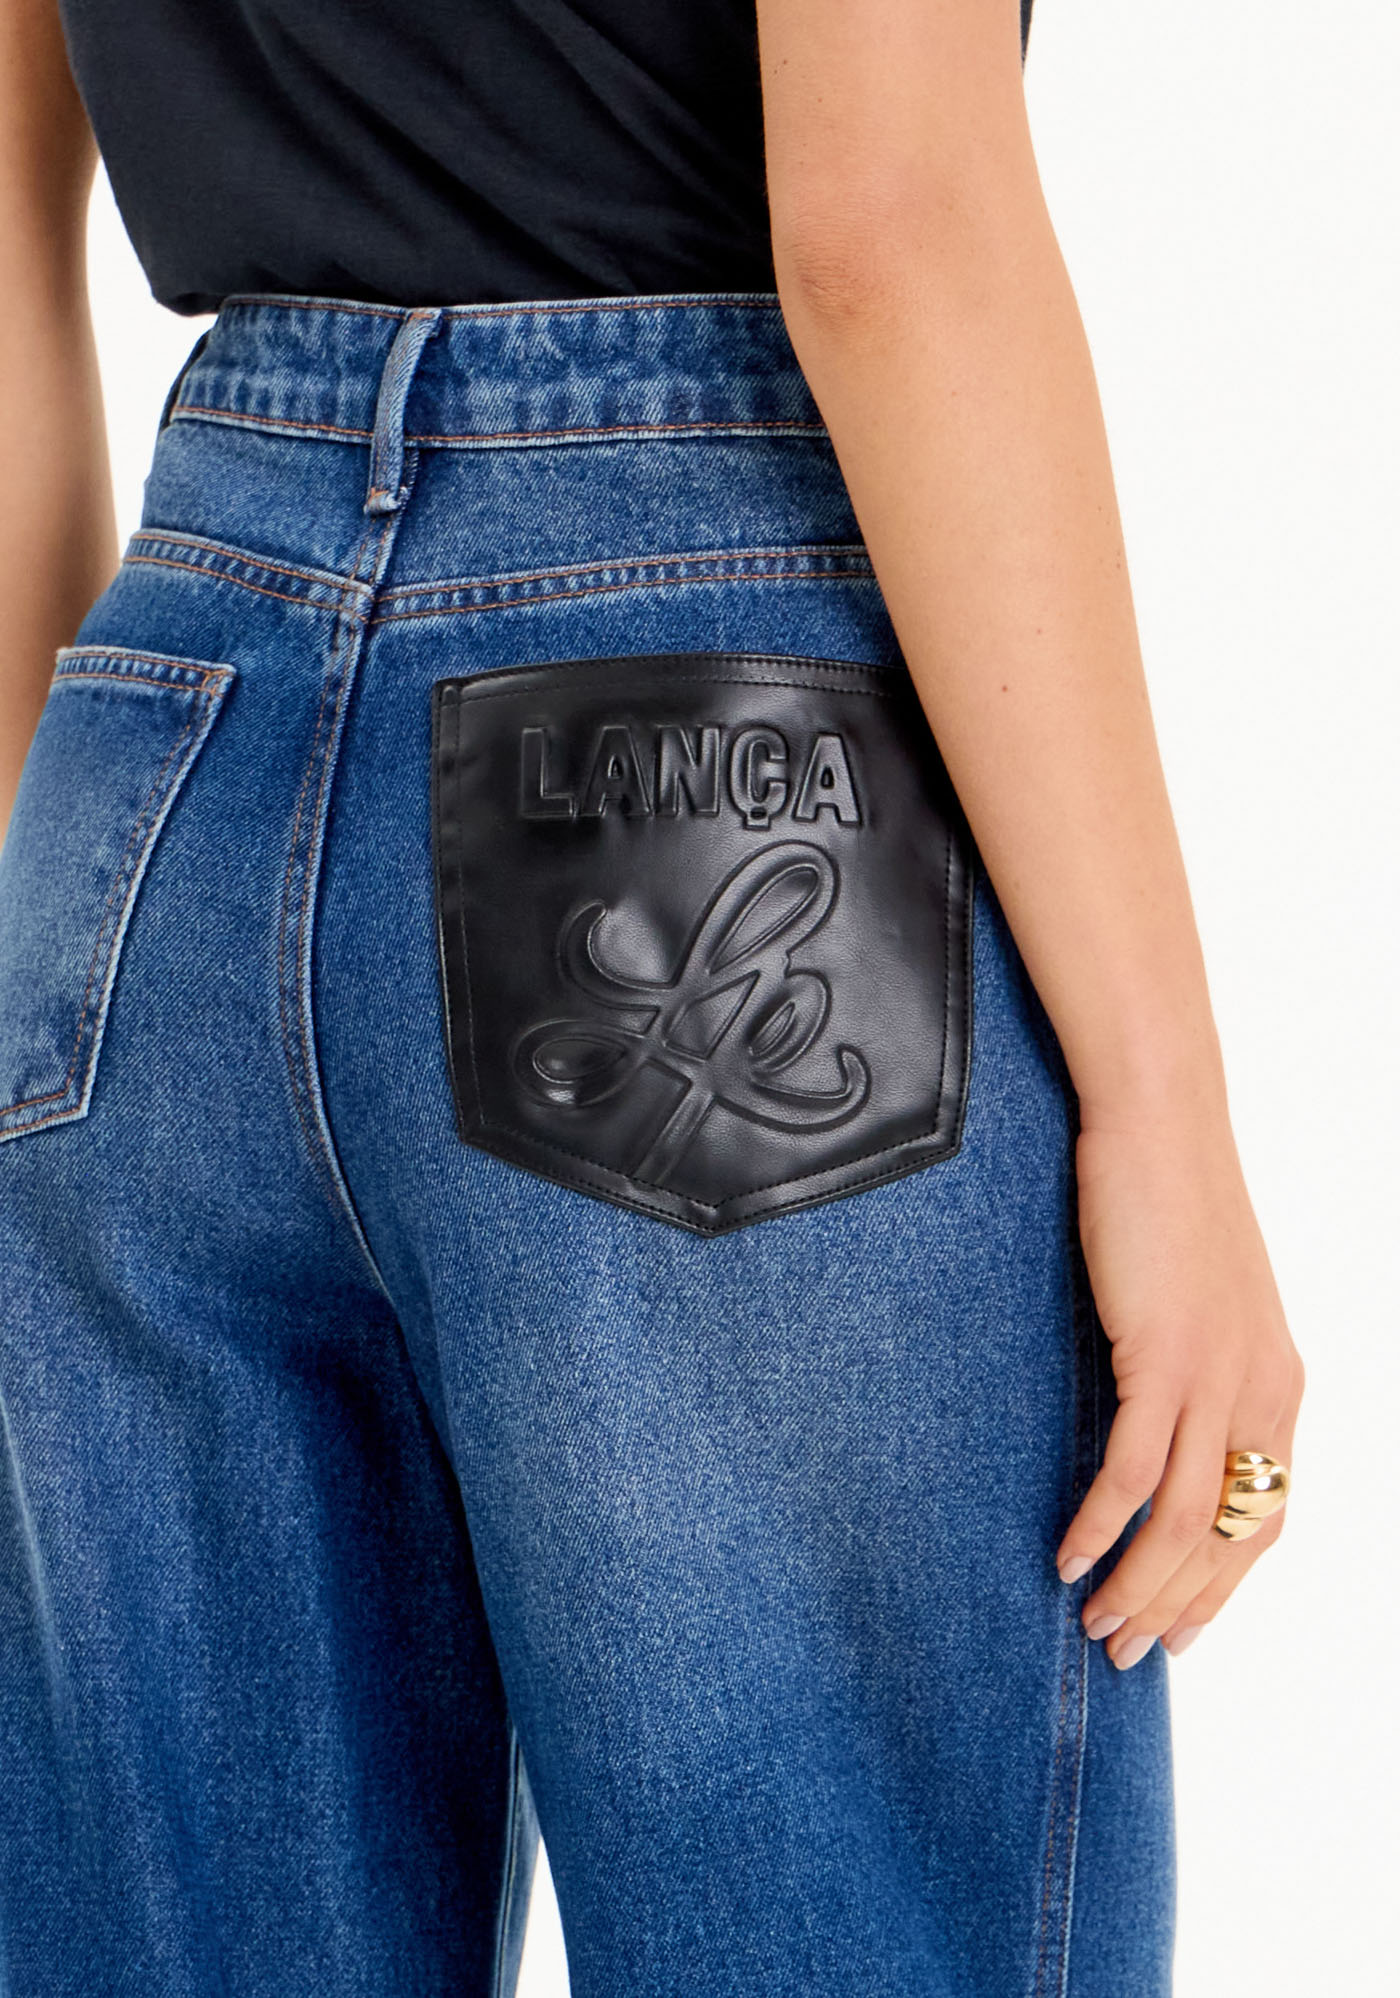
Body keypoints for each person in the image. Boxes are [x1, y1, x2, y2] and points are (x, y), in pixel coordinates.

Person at [0, 2, 1305, 1994]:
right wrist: (1162, 1103)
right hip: (707, 740)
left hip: (156, 768)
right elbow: (886, 224)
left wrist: (53, 959)